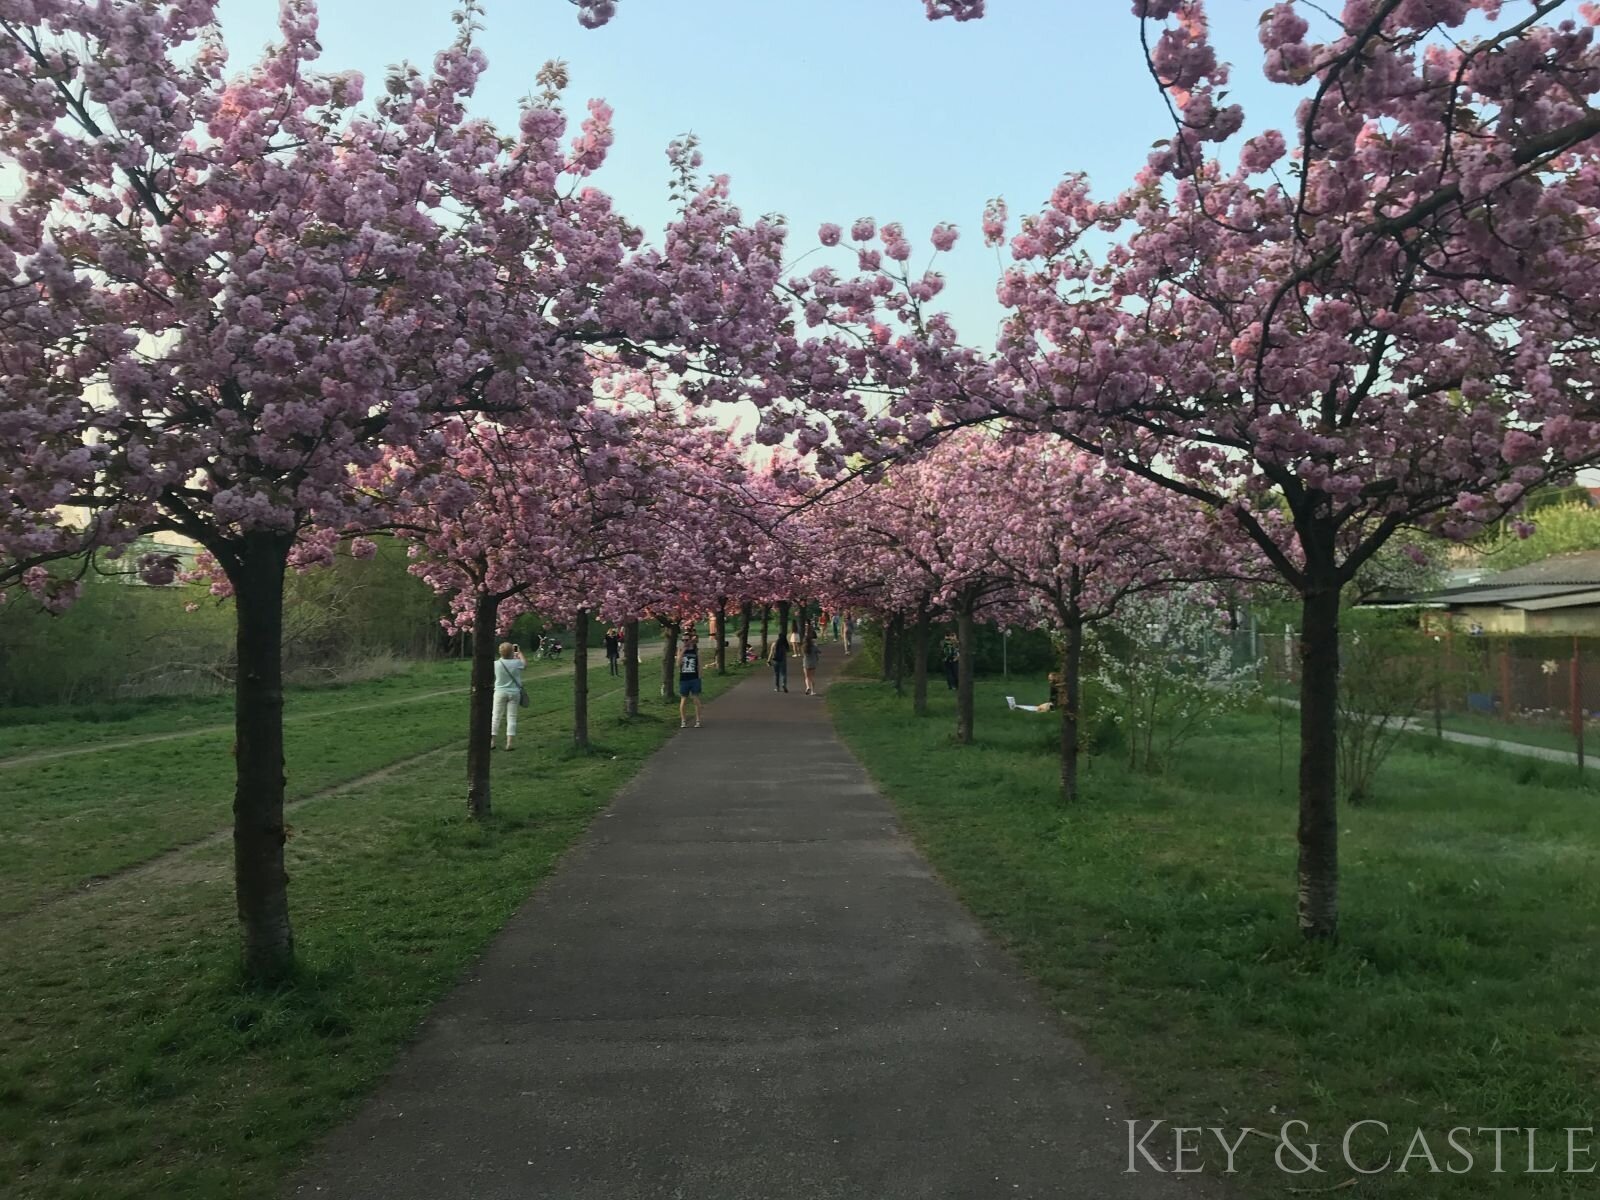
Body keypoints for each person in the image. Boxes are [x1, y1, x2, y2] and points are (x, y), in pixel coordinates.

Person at [492, 641, 526, 751]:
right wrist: (519, 654)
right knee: (511, 717)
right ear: (512, 651)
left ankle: (492, 741)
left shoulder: (496, 664)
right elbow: (524, 664)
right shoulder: (516, 663)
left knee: (496, 717)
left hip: (499, 692)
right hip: (514, 692)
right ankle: (509, 743)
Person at [678, 631, 703, 728]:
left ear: (691, 640)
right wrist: (683, 651)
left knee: (695, 699)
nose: (685, 642)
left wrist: (699, 677)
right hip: (684, 678)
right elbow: (678, 664)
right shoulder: (680, 650)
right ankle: (683, 720)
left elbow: (700, 665)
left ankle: (698, 720)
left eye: (686, 640)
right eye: (683, 640)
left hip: (694, 678)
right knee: (683, 699)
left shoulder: (696, 651)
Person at [802, 628, 822, 695]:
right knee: (812, 677)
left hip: (806, 663)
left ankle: (808, 687)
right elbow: (819, 652)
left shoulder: (804, 647)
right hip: (813, 663)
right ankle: (813, 691)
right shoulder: (813, 646)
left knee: (807, 677)